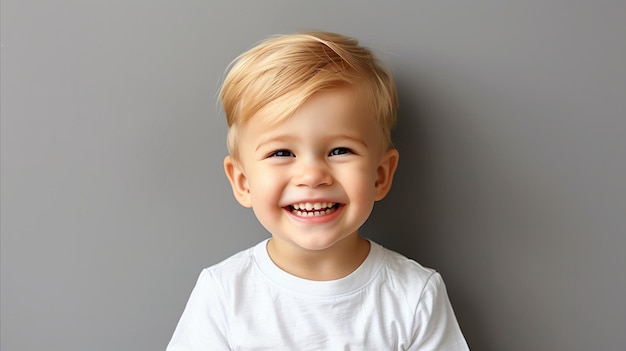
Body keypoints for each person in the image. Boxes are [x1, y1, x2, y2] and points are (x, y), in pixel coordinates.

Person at [167, 31, 469, 350]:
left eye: (340, 151)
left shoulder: (414, 294)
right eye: (281, 153)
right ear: (243, 182)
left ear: (380, 175)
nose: (312, 176)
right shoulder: (224, 292)